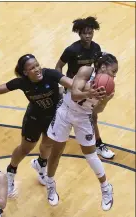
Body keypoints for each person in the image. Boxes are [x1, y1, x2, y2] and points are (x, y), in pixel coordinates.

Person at [0, 54, 72, 196]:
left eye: (37, 65)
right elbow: (1, 88)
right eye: (32, 68)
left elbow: (70, 83)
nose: (37, 69)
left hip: (53, 118)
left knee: (47, 145)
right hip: (34, 119)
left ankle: (41, 165)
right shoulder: (22, 82)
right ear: (25, 72)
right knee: (25, 149)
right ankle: (10, 173)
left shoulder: (50, 74)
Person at [46, 53, 118, 211]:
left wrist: (104, 100)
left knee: (91, 155)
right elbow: (75, 94)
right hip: (65, 112)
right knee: (56, 152)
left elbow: (97, 110)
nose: (114, 75)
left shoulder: (109, 87)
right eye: (113, 71)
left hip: (84, 117)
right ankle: (50, 185)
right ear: (103, 67)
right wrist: (90, 94)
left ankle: (106, 188)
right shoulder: (86, 71)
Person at [55, 16, 115, 159]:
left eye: (90, 32)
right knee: (66, 116)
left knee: (92, 116)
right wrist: (62, 84)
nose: (87, 36)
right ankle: (53, 143)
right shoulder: (71, 50)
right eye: (84, 33)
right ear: (79, 33)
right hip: (72, 86)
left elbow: (98, 68)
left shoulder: (96, 48)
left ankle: (98, 144)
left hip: (88, 86)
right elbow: (58, 67)